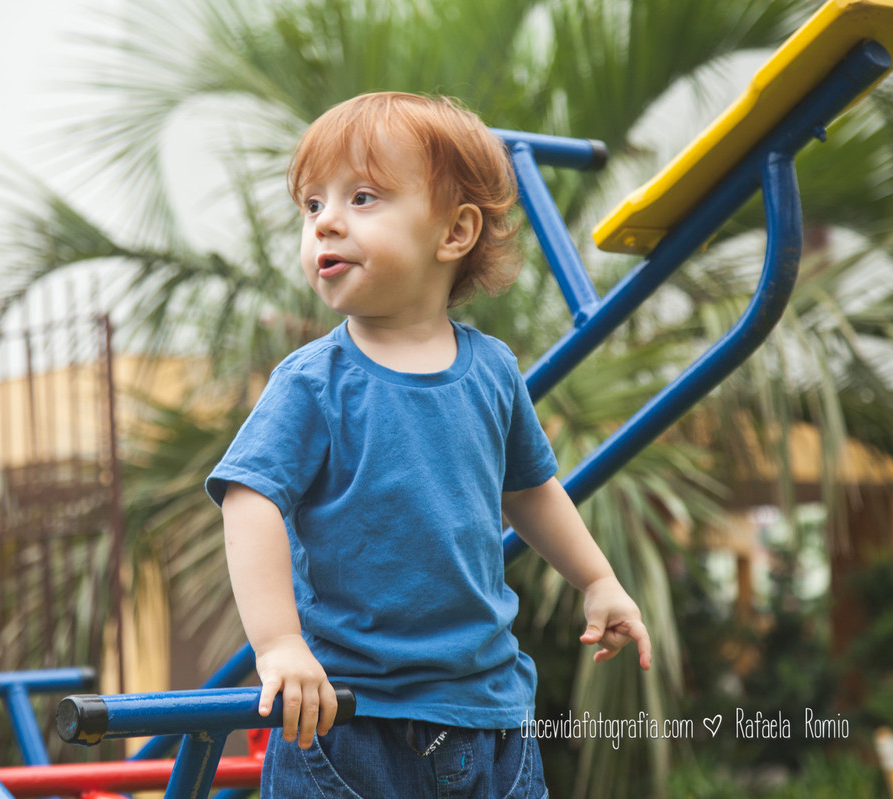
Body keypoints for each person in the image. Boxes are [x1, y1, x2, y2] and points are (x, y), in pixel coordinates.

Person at [205, 91, 651, 799]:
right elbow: (249, 496)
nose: (325, 223)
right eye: (312, 205)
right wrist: (281, 644)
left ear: (455, 232)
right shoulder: (314, 382)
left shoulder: (493, 370)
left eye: (361, 197)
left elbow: (530, 488)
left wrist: (597, 580)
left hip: (491, 720)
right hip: (349, 721)